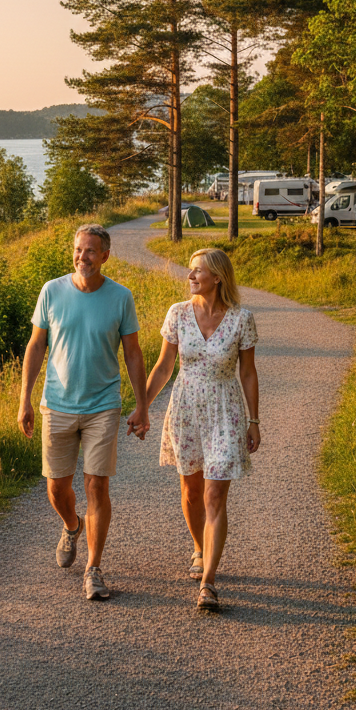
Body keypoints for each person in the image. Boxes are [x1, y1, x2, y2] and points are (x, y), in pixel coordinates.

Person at [18, 223, 150, 600]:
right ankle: (71, 524)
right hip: (56, 404)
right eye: (78, 250)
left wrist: (141, 405)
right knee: (57, 487)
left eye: (91, 251)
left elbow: (133, 353)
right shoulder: (52, 291)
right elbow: (36, 346)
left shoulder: (120, 297)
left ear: (105, 256)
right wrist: (24, 399)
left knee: (96, 484)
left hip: (102, 406)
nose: (83, 257)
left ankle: (93, 569)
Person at [145, 247, 260, 611]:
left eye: (198, 271)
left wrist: (254, 420)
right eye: (191, 271)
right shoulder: (177, 314)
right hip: (186, 409)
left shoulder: (242, 319)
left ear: (218, 278)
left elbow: (247, 372)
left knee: (214, 497)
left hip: (226, 410)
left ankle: (209, 581)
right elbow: (164, 368)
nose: (191, 276)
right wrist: (141, 407)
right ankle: (199, 546)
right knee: (192, 490)